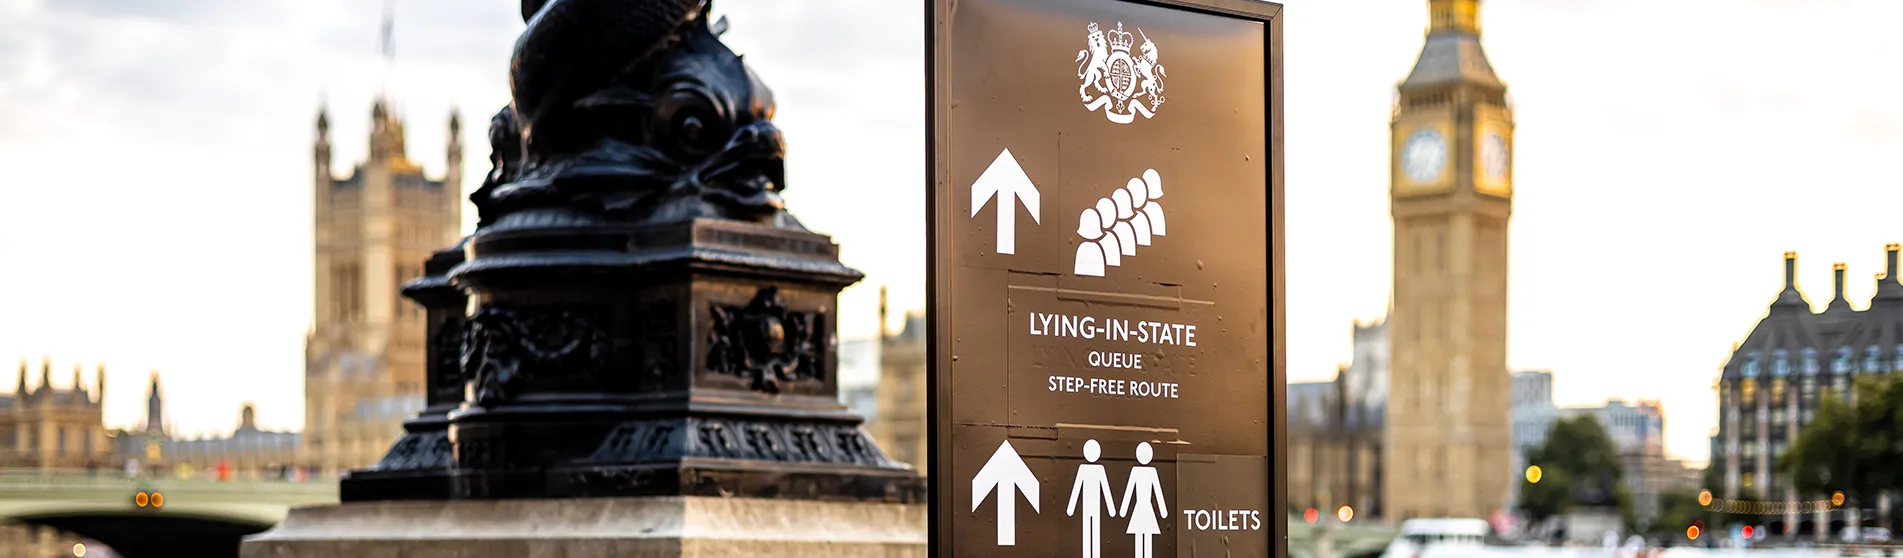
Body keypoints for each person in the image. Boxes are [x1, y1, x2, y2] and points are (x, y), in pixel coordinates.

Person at [1067, 439, 1118, 558]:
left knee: (1092, 531)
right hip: (1091, 507)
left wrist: (1111, 508)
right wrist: (1111, 509)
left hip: (1092, 507)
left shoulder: (1095, 469)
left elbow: (1105, 488)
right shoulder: (1088, 469)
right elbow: (1077, 488)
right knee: (1091, 531)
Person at [1119, 442, 1167, 558]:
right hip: (1143, 509)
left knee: (1143, 539)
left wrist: (1123, 510)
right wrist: (1163, 511)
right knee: (1142, 539)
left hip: (1142, 509)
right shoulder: (1143, 471)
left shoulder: (1147, 472)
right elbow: (1130, 490)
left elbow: (1157, 491)